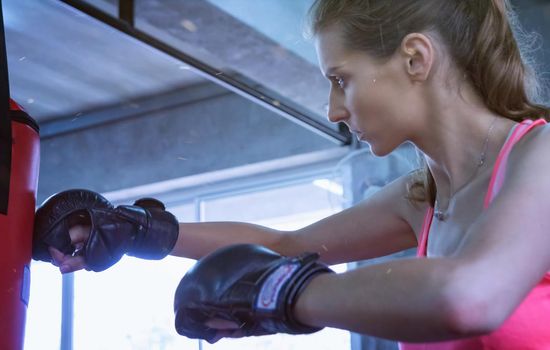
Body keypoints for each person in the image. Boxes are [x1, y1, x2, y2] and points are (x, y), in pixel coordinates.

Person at [33, 0, 550, 348]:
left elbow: (470, 296)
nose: (333, 110)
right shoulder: (424, 198)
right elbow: (285, 244)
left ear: (415, 58)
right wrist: (134, 231)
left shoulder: (542, 153)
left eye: (340, 80)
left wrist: (285, 295)